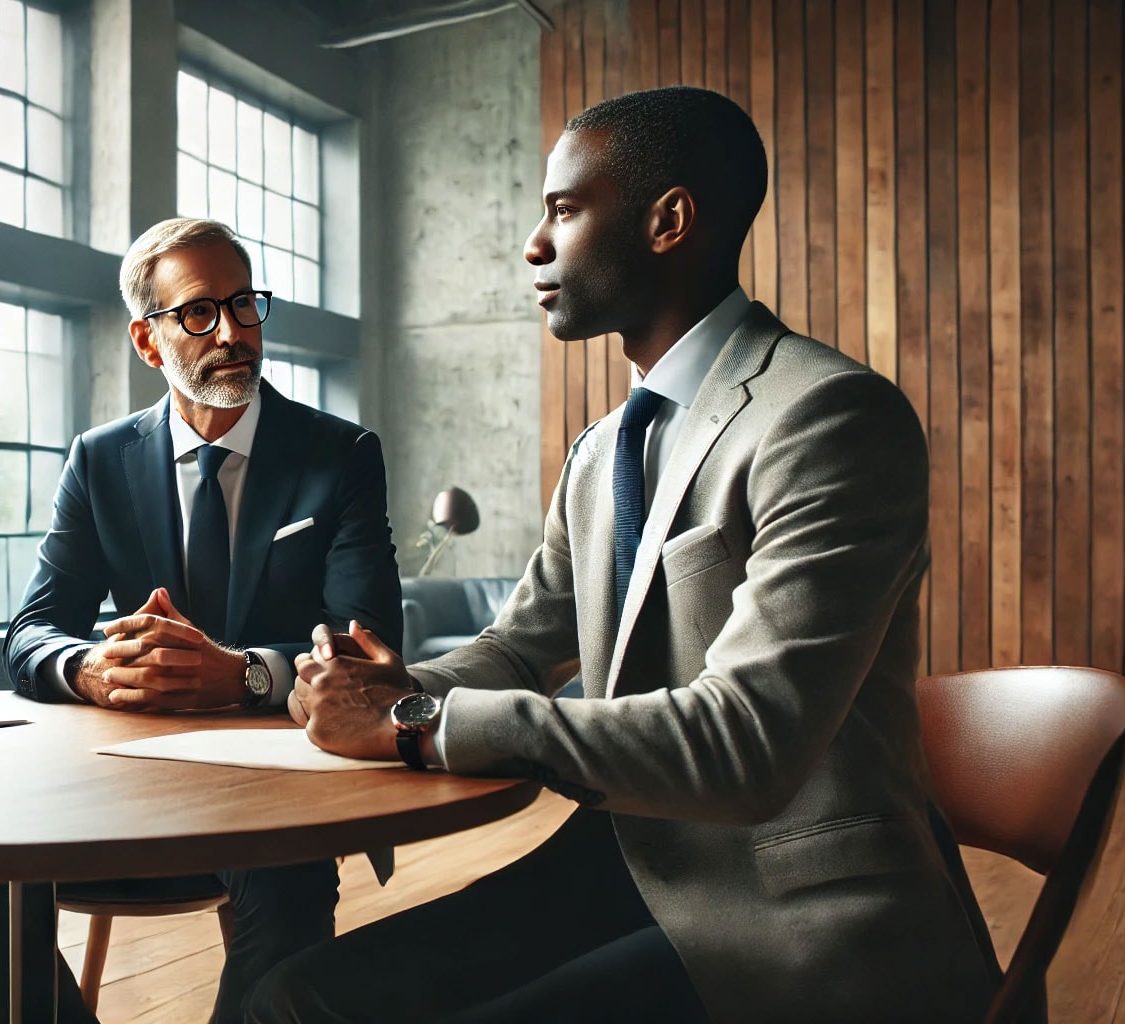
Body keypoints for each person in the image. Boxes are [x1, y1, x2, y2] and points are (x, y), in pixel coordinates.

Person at [253, 86, 1002, 1023]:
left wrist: (413, 720)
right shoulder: (603, 448)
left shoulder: (829, 419)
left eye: (563, 210)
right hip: (632, 863)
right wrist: (391, 681)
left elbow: (745, 745)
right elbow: (521, 647)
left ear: (668, 221)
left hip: (796, 919)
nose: (534, 243)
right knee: (293, 997)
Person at [0, 217, 403, 1023]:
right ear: (147, 340)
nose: (234, 332)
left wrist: (239, 672)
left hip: (269, 781)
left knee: (290, 878)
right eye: (200, 313)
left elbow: (370, 642)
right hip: (116, 774)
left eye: (245, 305)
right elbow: (31, 632)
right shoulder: (100, 458)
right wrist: (92, 667)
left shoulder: (339, 454)